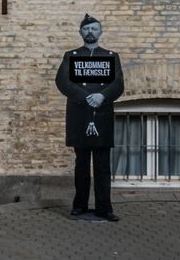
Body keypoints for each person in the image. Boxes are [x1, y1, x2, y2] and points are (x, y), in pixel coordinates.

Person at [53, 13, 124, 221]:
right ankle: (79, 205)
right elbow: (62, 82)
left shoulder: (111, 56)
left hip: (102, 116)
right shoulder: (71, 56)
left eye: (94, 28)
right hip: (79, 116)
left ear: (100, 31)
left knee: (102, 165)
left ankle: (105, 208)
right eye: (86, 29)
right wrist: (85, 97)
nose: (90, 32)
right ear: (80, 32)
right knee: (81, 164)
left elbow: (118, 84)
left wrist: (102, 96)